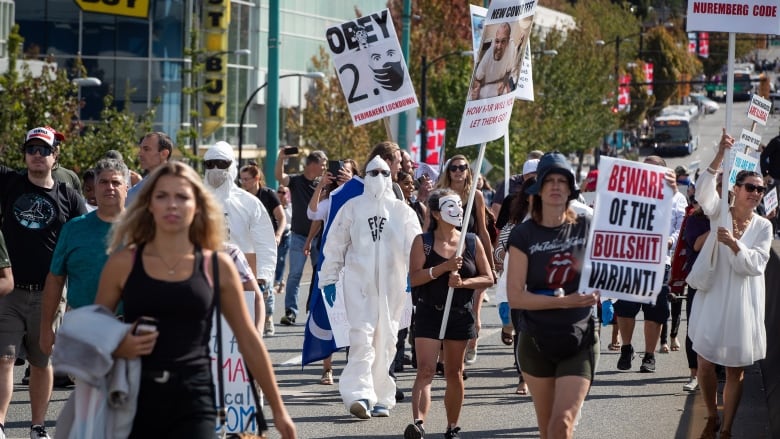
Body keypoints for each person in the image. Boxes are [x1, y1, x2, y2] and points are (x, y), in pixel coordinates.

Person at [94, 161, 296, 438]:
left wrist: (279, 410)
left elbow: (248, 339)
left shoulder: (218, 266)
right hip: (135, 397)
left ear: (198, 206)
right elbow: (94, 328)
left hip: (197, 398)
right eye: (162, 196)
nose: (172, 205)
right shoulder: (123, 263)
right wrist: (118, 343)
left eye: (182, 196)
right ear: (149, 205)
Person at [0, 126, 87, 439]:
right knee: (4, 357)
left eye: (44, 150)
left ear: (55, 156)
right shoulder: (9, 183)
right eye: (32, 149)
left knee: (40, 361)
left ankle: (37, 427)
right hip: (8, 291)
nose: (38, 155)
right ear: (24, 154)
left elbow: (85, 239)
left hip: (49, 294)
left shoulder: (70, 198)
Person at [319, 156, 422, 419]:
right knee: (361, 337)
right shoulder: (352, 208)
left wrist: (414, 273)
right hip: (359, 283)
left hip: (393, 284)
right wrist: (328, 278)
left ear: (390, 175)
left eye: (383, 172)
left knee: (386, 339)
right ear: (364, 176)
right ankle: (359, 394)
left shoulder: (402, 211)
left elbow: (415, 246)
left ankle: (382, 396)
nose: (378, 177)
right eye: (372, 172)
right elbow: (335, 244)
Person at [505, 152, 599, 439]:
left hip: (579, 339)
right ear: (539, 188)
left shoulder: (586, 227)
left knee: (562, 425)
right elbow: (516, 297)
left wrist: (664, 192)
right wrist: (564, 301)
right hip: (535, 342)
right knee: (547, 430)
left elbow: (634, 234)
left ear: (571, 190)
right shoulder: (523, 234)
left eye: (563, 181)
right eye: (550, 181)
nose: (556, 186)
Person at [689, 130, 773, 439]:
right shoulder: (719, 213)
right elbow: (702, 192)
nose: (755, 193)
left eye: (760, 190)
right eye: (749, 187)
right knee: (705, 363)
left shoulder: (764, 226)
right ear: (735, 190)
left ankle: (726, 429)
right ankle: (712, 415)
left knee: (736, 370)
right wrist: (720, 156)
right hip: (714, 295)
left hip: (742, 300)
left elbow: (756, 265)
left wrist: (735, 244)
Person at [405, 188, 492, 439]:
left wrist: (463, 283)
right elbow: (414, 278)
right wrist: (443, 268)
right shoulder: (423, 241)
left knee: (454, 371)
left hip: (459, 313)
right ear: (436, 212)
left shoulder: (472, 241)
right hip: (429, 312)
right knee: (425, 369)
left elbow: (488, 277)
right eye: (450, 206)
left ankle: (452, 426)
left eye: (460, 206)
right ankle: (418, 423)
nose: (459, 210)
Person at [39, 158, 129, 356]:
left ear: (127, 188)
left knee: (125, 387)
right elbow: (55, 279)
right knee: (87, 387)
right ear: (93, 188)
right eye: (103, 182)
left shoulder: (143, 229)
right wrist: (46, 327)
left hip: (129, 328)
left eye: (116, 182)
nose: (110, 187)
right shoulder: (73, 228)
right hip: (82, 326)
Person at [614, 155, 686, 373]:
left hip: (658, 261)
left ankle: (649, 355)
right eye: (645, 170)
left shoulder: (676, 198)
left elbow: (680, 225)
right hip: (631, 260)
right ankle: (626, 348)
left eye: (654, 170)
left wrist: (671, 240)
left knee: (654, 312)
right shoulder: (628, 193)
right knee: (625, 309)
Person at [203, 141, 276, 330]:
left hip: (243, 280)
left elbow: (264, 241)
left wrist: (263, 276)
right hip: (203, 279)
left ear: (232, 165)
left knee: (240, 336)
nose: (216, 169)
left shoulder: (249, 203)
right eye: (210, 164)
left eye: (221, 163)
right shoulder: (195, 200)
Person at [435, 155, 495, 365]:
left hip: (471, 252)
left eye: (463, 167)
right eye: (454, 168)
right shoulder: (440, 195)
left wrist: (490, 261)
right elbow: (429, 227)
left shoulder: (476, 195)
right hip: (445, 252)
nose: (458, 171)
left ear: (468, 171)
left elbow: (483, 229)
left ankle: (473, 340)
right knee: (447, 304)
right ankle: (446, 356)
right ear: (448, 171)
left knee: (474, 309)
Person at [275, 149, 327, 325]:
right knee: (295, 275)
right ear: (313, 164)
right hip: (298, 236)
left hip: (319, 237)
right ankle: (291, 311)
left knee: (320, 274)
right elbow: (280, 178)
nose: (324, 168)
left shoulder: (324, 183)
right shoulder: (296, 181)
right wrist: (281, 158)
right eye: (323, 164)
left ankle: (316, 310)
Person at [239, 163, 287, 335]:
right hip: (248, 244)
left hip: (267, 244)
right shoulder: (241, 197)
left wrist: (278, 235)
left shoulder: (268, 194)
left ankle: (268, 317)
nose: (243, 183)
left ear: (256, 179)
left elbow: (281, 218)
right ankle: (250, 318)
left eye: (246, 179)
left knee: (265, 280)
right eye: (241, 179)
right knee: (250, 281)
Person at [470, 22, 517, 100]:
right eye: (497, 41)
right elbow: (477, 79)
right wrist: (476, 90)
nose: (499, 46)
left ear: (508, 41)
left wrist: (504, 85)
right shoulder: (488, 55)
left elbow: (508, 72)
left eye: (503, 41)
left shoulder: (511, 48)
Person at [126, 132, 173, 204]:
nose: (140, 154)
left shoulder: (178, 183)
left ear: (164, 154)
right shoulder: (138, 188)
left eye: (146, 149)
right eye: (141, 149)